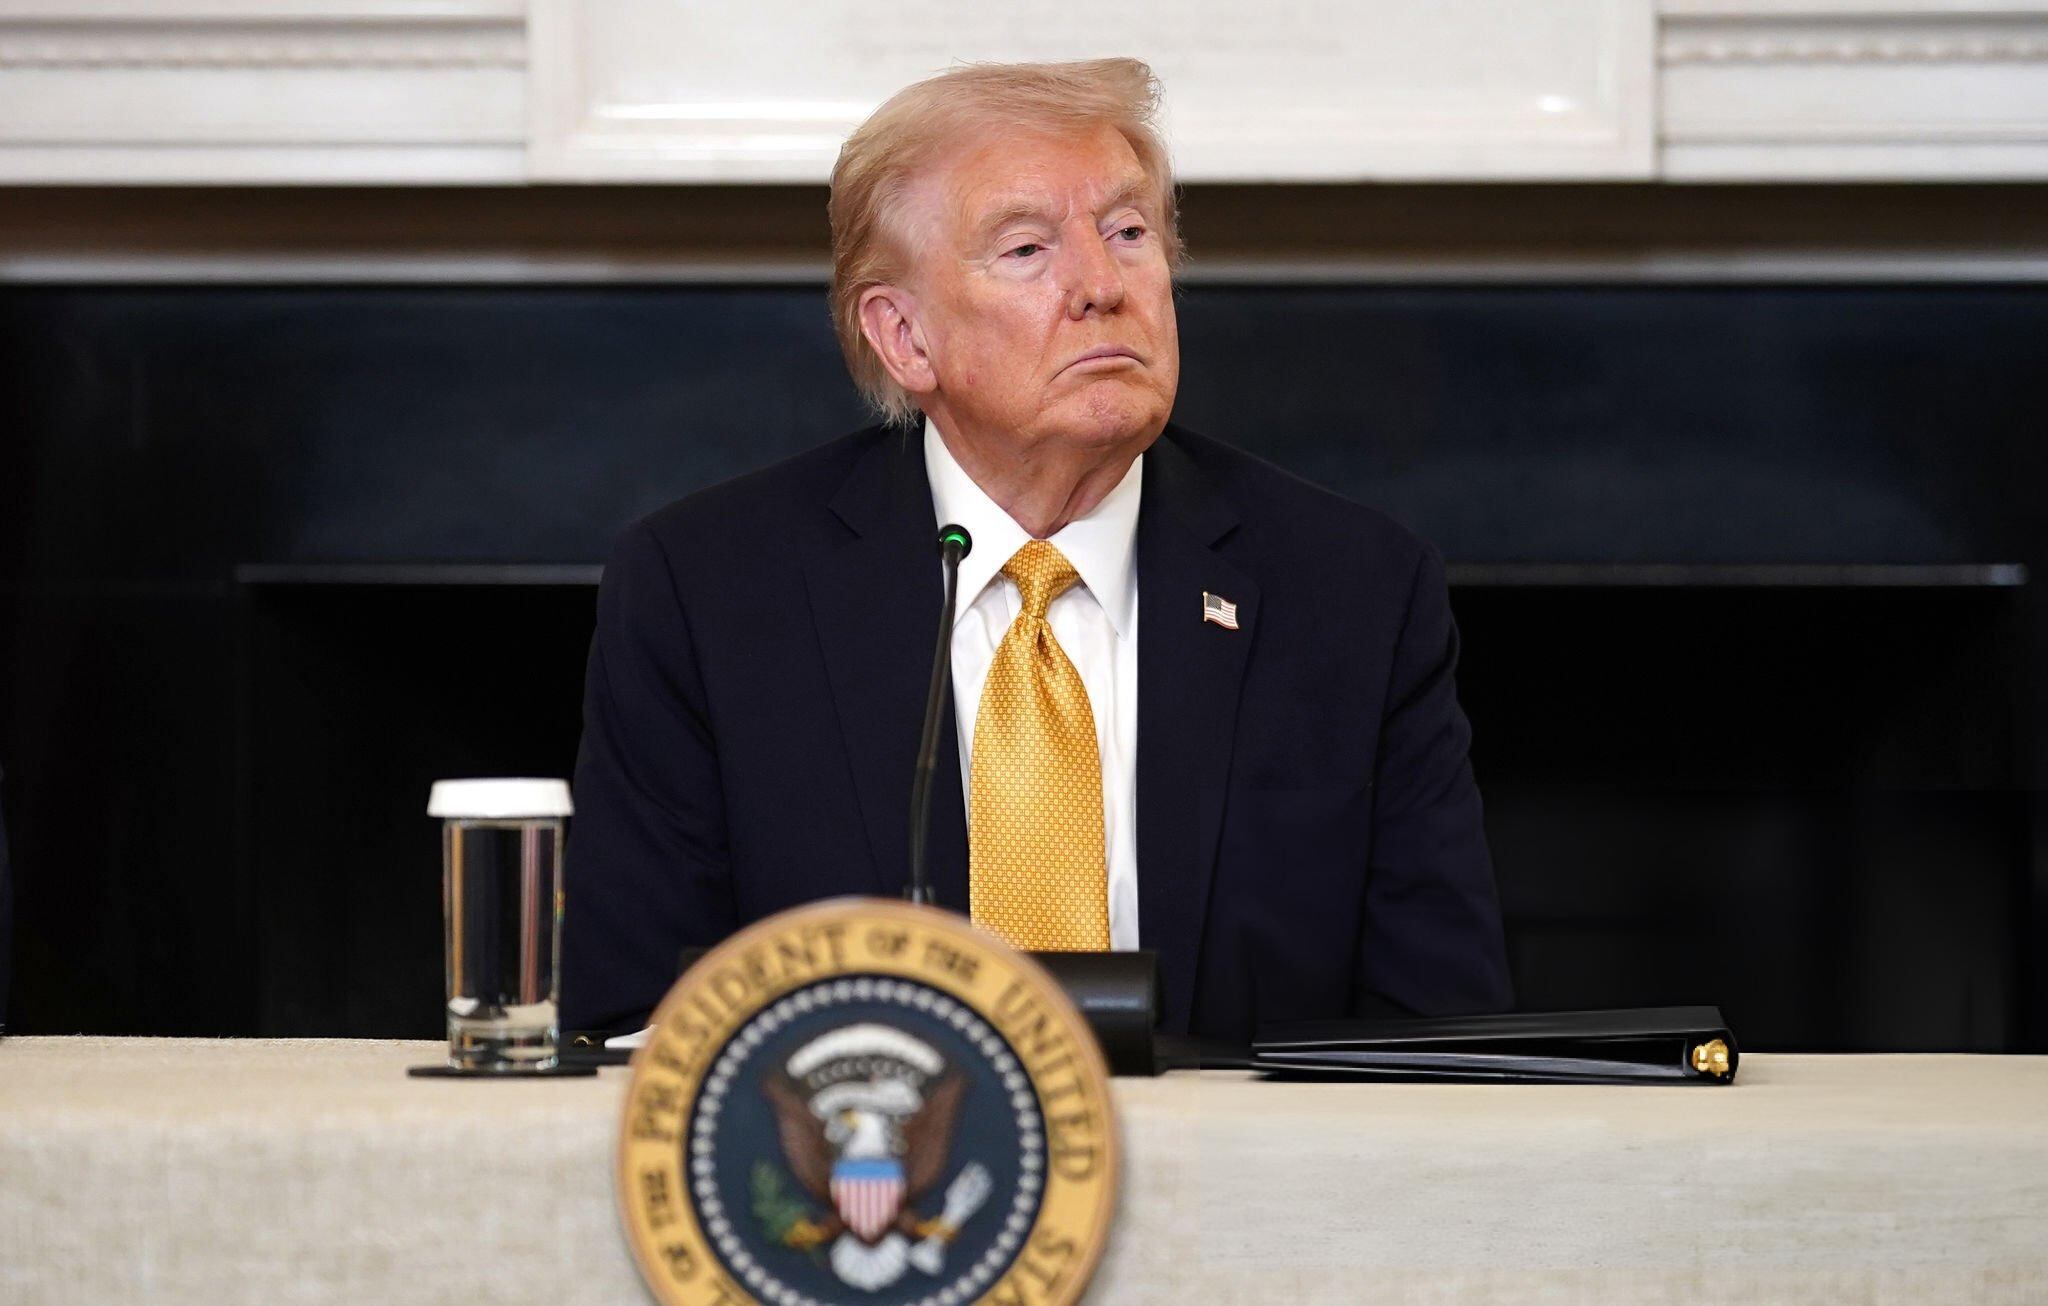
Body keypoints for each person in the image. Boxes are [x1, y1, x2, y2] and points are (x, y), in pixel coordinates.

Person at [562, 59, 1510, 1042]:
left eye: (1128, 233)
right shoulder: (707, 592)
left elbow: (1439, 1042)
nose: (1102, 286)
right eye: (1024, 249)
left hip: (1249, 1189)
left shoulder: (1350, 589)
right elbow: (632, 1027)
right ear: (903, 337)